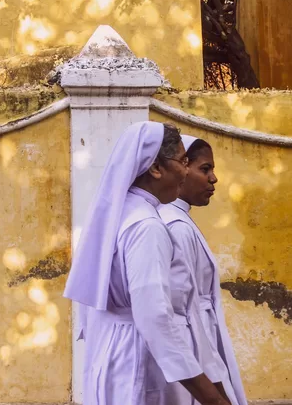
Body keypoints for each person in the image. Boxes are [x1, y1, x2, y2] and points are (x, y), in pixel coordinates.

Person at [64, 121, 229, 405]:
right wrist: (212, 397)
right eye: (182, 161)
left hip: (113, 349)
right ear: (156, 168)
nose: (185, 171)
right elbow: (154, 317)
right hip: (141, 358)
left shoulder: (121, 212)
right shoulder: (147, 226)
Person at [159, 135, 248, 405]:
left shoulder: (178, 220)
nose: (214, 179)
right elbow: (183, 312)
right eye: (205, 169)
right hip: (194, 349)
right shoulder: (176, 227)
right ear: (182, 169)